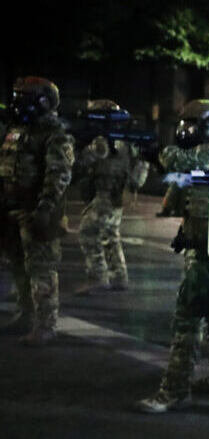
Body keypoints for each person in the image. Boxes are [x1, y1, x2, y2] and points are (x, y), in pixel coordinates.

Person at [133, 99, 209, 414]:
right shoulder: (205, 157)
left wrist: (158, 152)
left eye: (194, 123)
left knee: (187, 316)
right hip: (203, 245)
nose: (186, 130)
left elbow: (184, 160)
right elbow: (187, 191)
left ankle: (175, 389)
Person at [0, 76, 75, 345]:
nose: (18, 104)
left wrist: (44, 210)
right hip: (13, 208)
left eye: (25, 98)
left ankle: (45, 324)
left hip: (36, 210)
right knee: (19, 265)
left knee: (41, 269)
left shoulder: (55, 134)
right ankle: (26, 314)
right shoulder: (16, 130)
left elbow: (58, 176)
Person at [73, 99, 149, 295]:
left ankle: (98, 278)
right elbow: (142, 161)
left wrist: (132, 186)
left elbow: (142, 162)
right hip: (109, 192)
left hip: (109, 193)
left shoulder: (112, 139)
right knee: (110, 236)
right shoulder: (115, 138)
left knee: (88, 232)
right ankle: (118, 276)